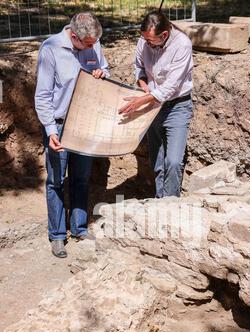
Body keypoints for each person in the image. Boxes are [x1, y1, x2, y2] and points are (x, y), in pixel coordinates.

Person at [35, 12, 109, 258]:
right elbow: (43, 95)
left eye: (94, 44)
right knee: (56, 181)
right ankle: (57, 235)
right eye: (88, 44)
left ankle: (78, 228)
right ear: (74, 36)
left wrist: (101, 73)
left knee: (81, 178)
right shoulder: (51, 49)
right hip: (59, 125)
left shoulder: (93, 42)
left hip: (85, 123)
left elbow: (104, 69)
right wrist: (50, 130)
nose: (93, 48)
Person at [119, 10, 193, 199]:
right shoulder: (144, 40)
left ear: (165, 34)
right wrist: (142, 83)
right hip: (152, 106)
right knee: (157, 161)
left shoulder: (182, 45)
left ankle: (171, 203)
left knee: (174, 161)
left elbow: (170, 87)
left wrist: (141, 100)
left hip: (176, 106)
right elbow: (139, 68)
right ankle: (159, 201)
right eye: (145, 39)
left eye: (151, 41)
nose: (147, 43)